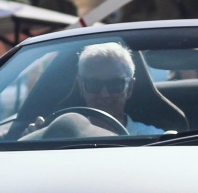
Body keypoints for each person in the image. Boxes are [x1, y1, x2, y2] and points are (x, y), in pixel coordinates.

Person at [23, 42, 163, 139]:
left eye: (114, 84)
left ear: (130, 88)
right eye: (94, 84)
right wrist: (35, 140)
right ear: (81, 87)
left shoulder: (153, 138)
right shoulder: (58, 136)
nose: (104, 94)